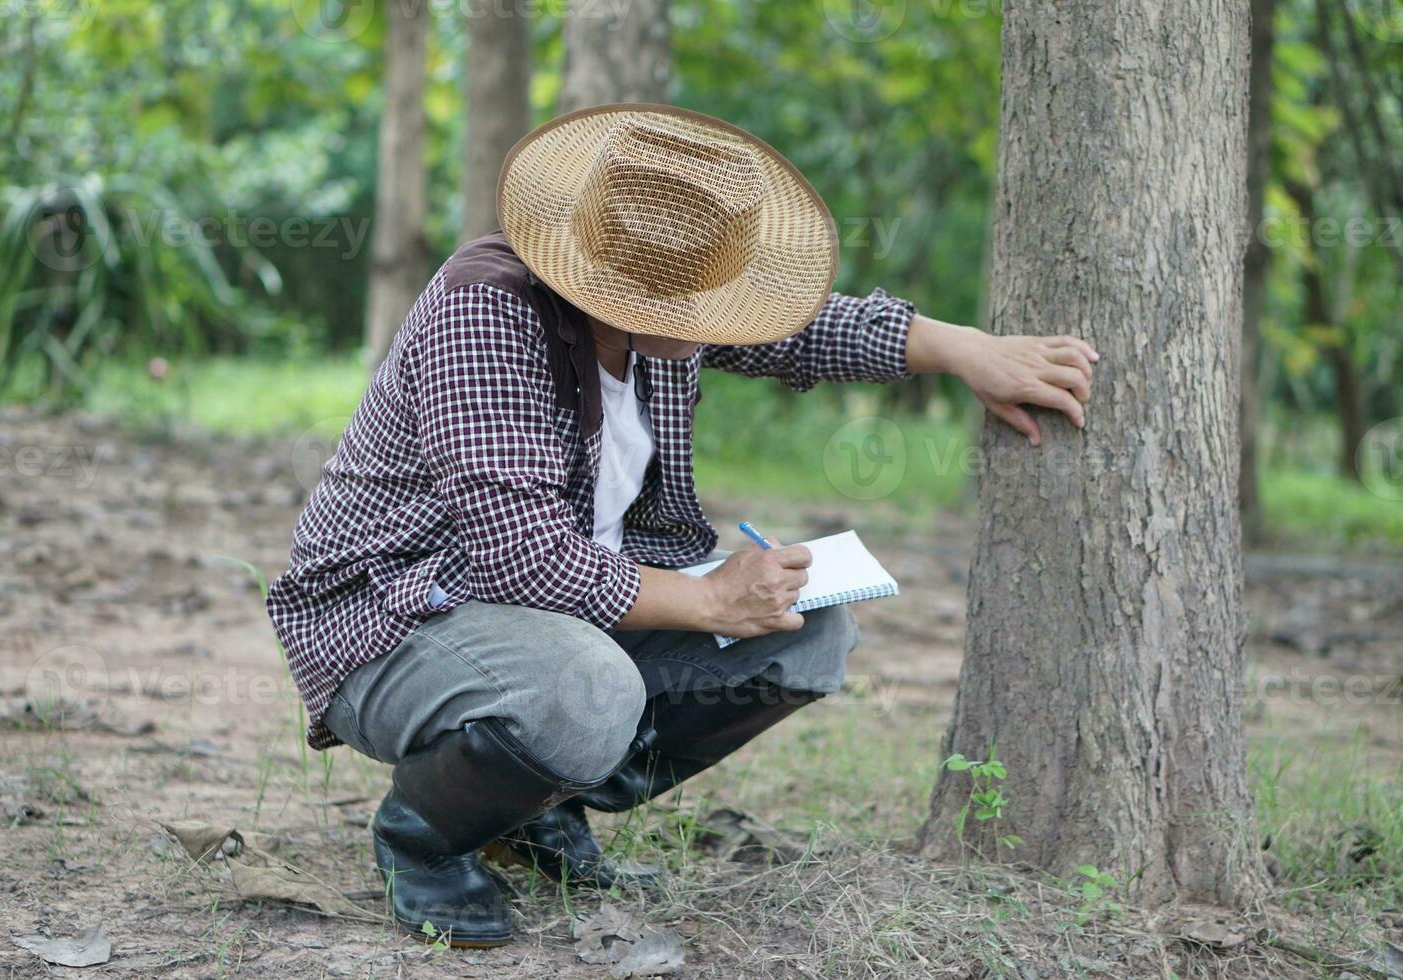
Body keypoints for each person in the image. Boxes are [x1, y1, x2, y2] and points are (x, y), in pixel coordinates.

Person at [266, 104, 1097, 947]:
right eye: (706, 301)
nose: (726, 319)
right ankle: (425, 838)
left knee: (807, 628)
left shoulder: (668, 311)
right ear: (613, 281)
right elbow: (522, 559)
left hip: (553, 618)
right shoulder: (486, 313)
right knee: (591, 689)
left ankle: (533, 807)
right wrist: (711, 602)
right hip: (395, 622)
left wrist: (962, 349)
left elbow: (801, 332)